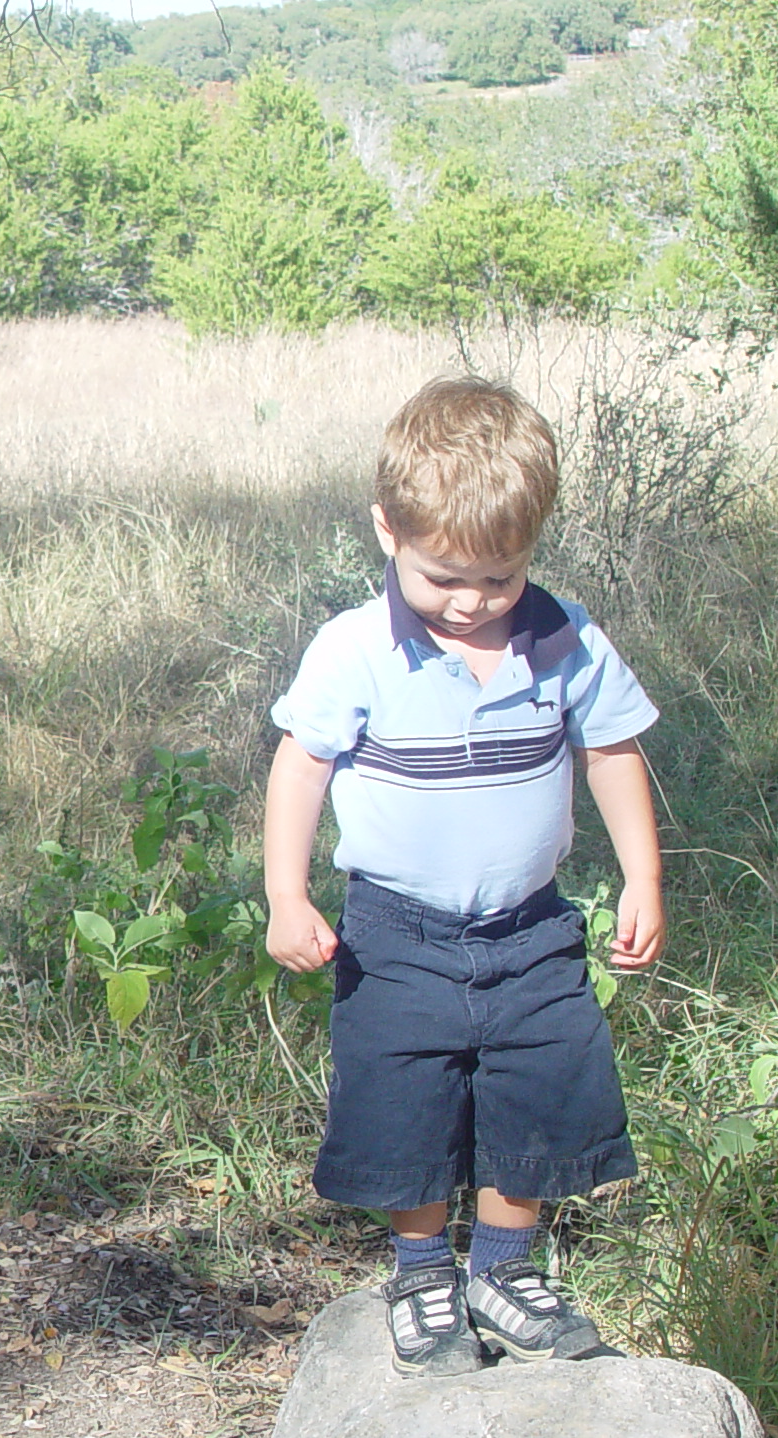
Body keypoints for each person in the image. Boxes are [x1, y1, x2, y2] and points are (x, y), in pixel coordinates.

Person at [263, 377, 661, 1375]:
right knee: (407, 1100)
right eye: (445, 576)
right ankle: (419, 1271)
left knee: (537, 1087)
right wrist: (286, 894)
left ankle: (505, 1268)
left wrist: (642, 876)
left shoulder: (563, 637)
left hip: (531, 927)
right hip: (396, 932)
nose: (472, 601)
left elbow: (610, 752)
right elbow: (300, 764)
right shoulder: (354, 650)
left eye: (499, 575)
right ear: (387, 531)